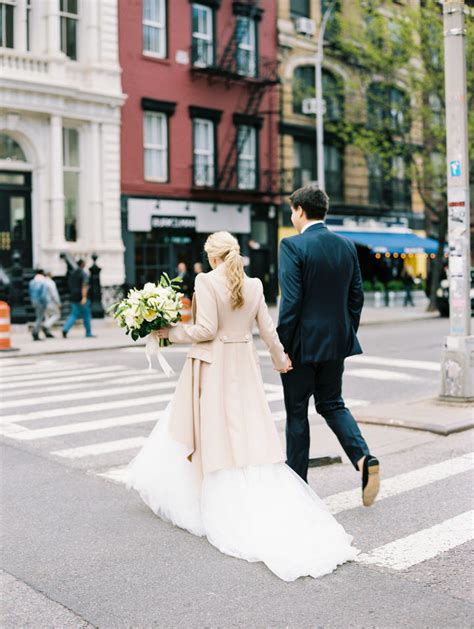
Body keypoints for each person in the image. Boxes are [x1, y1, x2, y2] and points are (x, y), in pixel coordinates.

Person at [124, 231, 358, 581]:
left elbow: (205, 330)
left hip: (214, 365)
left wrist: (168, 332)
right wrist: (280, 359)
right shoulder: (255, 285)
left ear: (213, 257)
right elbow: (267, 328)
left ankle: (209, 492)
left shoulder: (205, 281)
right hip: (243, 366)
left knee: (212, 431)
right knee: (243, 429)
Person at [277, 184, 380, 507]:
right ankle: (363, 458)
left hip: (301, 346)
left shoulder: (292, 246)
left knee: (297, 413)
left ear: (299, 210)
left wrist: (282, 346)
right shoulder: (346, 246)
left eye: (292, 211)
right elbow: (356, 297)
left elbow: (290, 303)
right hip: (336, 342)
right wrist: (345, 332)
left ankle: (297, 486)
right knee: (333, 403)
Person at [62, 260, 95, 338]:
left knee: (74, 314)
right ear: (83, 265)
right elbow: (85, 286)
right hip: (82, 298)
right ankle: (88, 332)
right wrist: (84, 297)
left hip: (73, 297)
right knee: (86, 316)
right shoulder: (83, 274)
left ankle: (65, 329)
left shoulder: (72, 274)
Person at [28, 269, 49, 341]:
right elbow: (44, 295)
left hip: (34, 301)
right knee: (39, 318)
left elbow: (30, 292)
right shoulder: (43, 282)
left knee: (38, 317)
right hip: (41, 302)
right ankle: (35, 332)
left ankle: (35, 332)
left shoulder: (32, 282)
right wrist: (45, 303)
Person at [43, 272, 61, 336]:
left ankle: (47, 332)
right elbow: (54, 294)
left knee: (47, 316)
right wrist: (58, 302)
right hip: (51, 302)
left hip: (43, 302)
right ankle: (46, 325)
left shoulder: (42, 281)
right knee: (57, 315)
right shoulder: (51, 282)